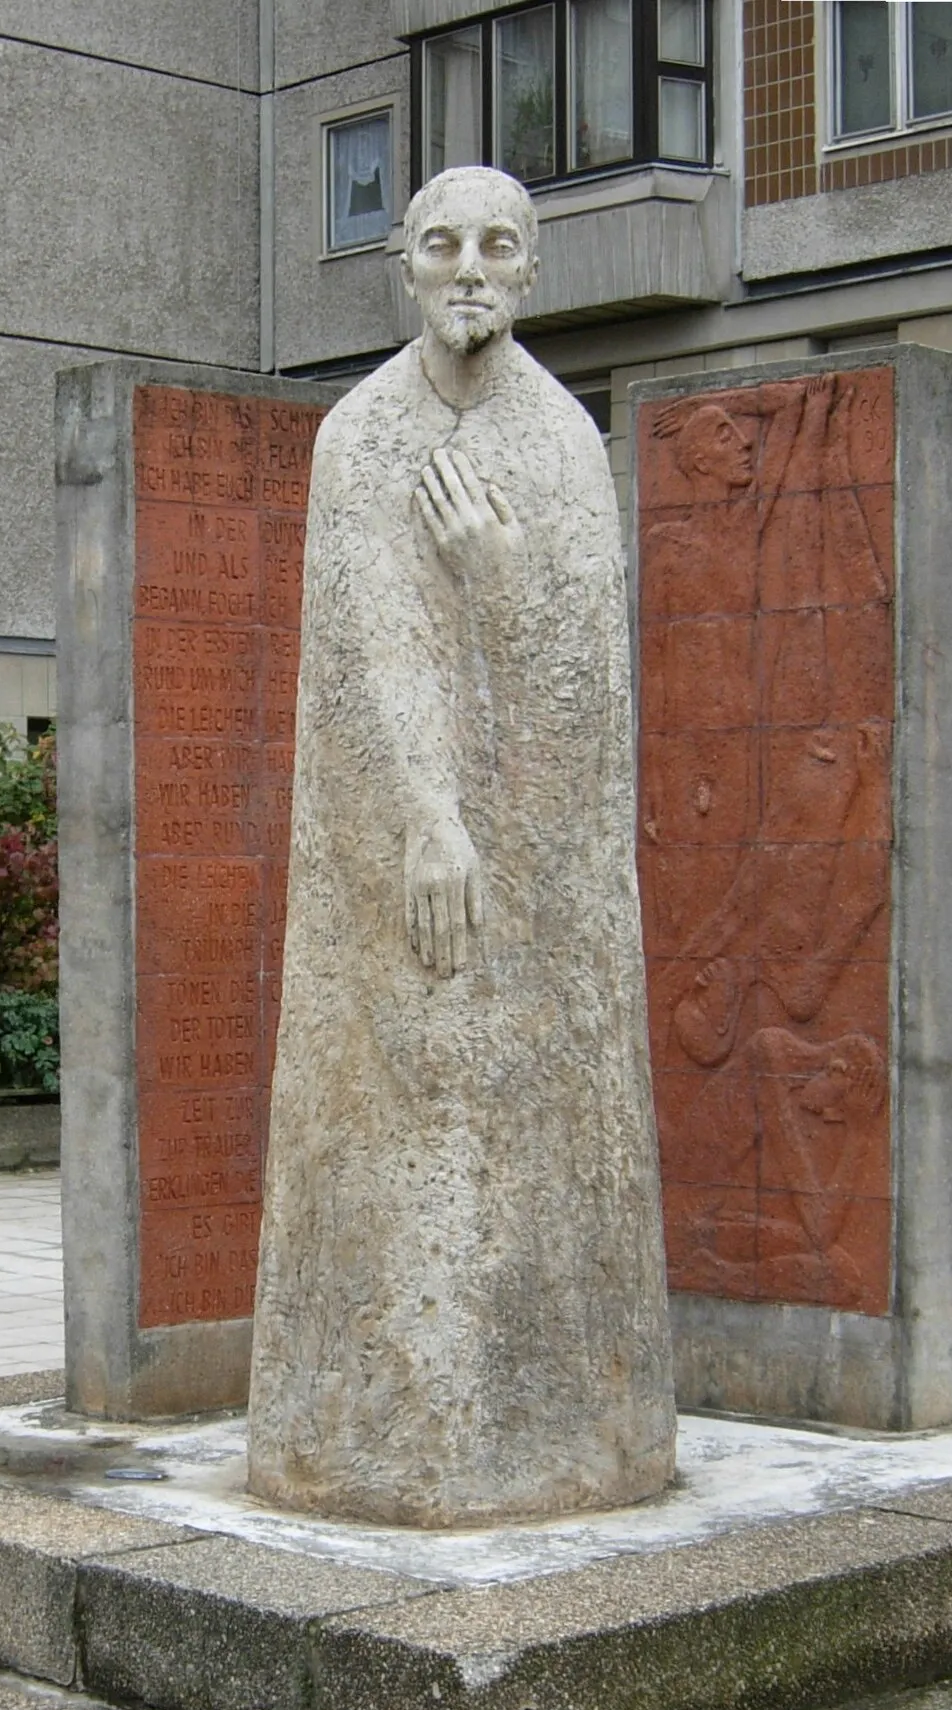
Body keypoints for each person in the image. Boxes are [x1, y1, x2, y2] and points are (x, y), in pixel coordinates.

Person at [244, 167, 674, 1528]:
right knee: (384, 1121)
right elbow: (366, 650)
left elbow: (592, 685)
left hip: (545, 889)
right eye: (443, 245)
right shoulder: (359, 436)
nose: (470, 269)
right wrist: (430, 816)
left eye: (498, 245)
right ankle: (352, 1424)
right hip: (387, 862)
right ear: (404, 264)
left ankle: (570, 1423)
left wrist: (497, 569)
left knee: (542, 1141)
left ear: (534, 269)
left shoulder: (558, 440)